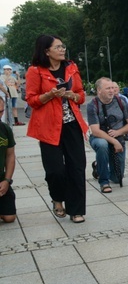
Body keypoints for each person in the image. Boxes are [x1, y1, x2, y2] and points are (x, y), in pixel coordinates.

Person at [26, 35, 89, 223]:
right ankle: (57, 198)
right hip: (48, 127)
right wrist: (49, 95)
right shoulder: (35, 71)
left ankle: (76, 210)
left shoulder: (71, 67)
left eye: (63, 46)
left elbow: (81, 94)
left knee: (77, 168)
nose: (62, 49)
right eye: (58, 47)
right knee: (55, 170)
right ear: (47, 51)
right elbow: (31, 100)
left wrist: (72, 96)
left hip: (71, 124)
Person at [87, 78, 128, 193]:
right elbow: (95, 130)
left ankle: (98, 166)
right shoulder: (93, 105)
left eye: (112, 88)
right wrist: (114, 141)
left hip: (118, 137)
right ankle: (103, 182)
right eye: (108, 88)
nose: (111, 91)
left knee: (116, 178)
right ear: (99, 90)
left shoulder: (121, 102)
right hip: (99, 138)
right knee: (102, 145)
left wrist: (118, 133)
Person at [0, 98, 17, 223]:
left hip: (1, 179)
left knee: (10, 218)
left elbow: (10, 156)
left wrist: (6, 180)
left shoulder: (5, 129)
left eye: (1, 112)